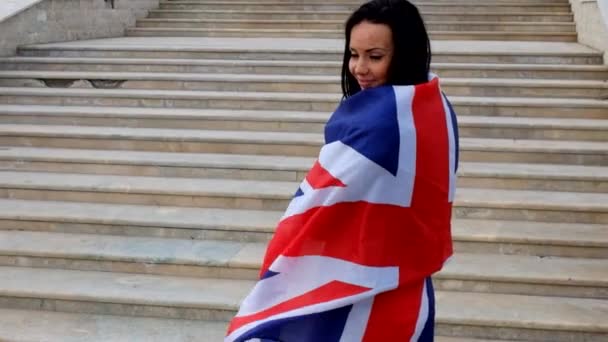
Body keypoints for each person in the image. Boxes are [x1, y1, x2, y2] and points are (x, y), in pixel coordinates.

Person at [226, 1, 459, 341]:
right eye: (354, 54)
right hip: (403, 273)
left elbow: (318, 202)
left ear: (405, 53)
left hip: (360, 277)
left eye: (375, 56)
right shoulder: (433, 105)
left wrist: (283, 255)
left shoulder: (380, 122)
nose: (359, 68)